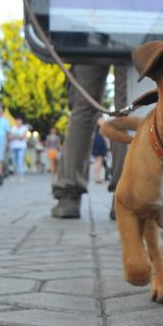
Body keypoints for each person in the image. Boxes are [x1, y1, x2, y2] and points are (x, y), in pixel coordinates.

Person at [51, 64, 128, 219]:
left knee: (83, 108)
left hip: (91, 41)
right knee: (127, 105)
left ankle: (69, 196)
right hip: (132, 41)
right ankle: (126, 196)